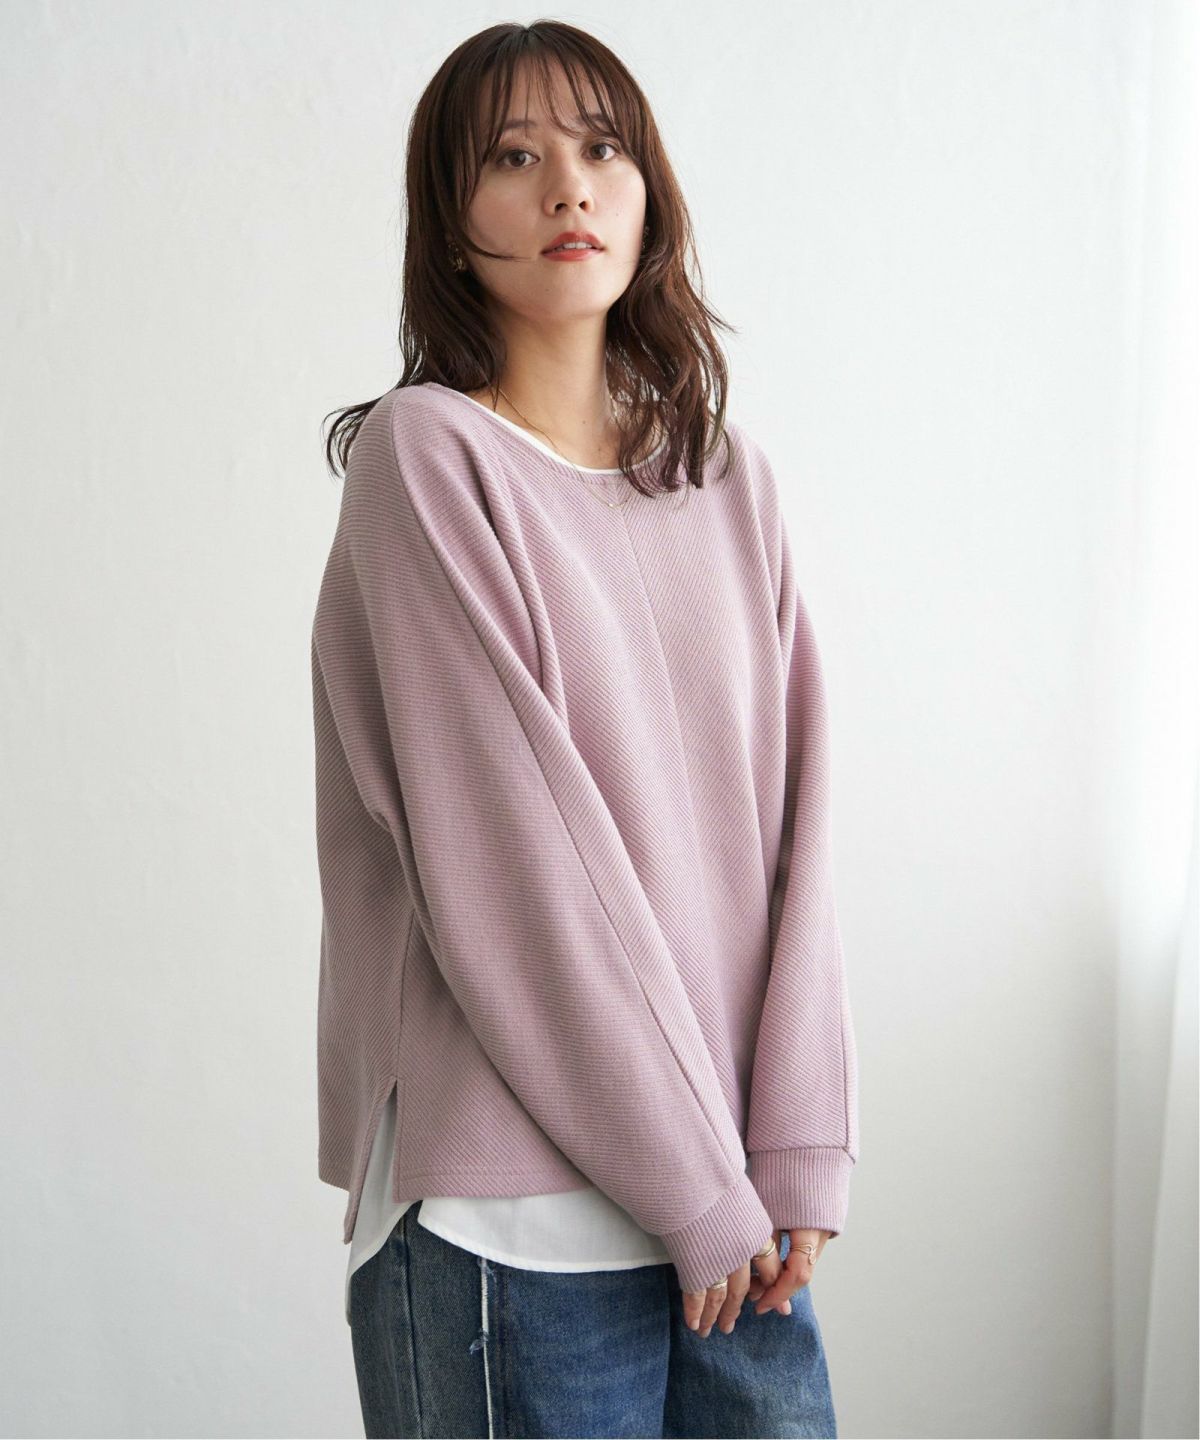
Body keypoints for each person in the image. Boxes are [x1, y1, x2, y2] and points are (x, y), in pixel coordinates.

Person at [312, 19, 860, 1439]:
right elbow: (512, 864)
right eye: (513, 156)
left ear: (648, 192)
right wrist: (702, 1185)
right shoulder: (424, 458)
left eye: (602, 148)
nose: (568, 185)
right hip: (517, 1228)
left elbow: (802, 829)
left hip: (736, 1215)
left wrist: (798, 1143)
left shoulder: (727, 479)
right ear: (450, 220)